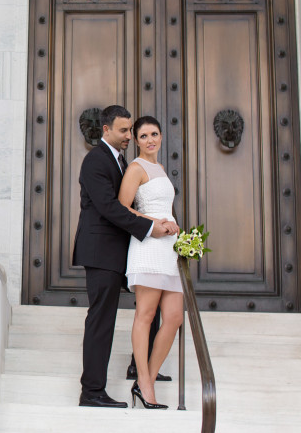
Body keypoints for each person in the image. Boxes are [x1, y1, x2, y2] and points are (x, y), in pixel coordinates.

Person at [73, 105, 177, 408]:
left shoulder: (118, 160)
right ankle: (91, 391)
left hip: (120, 249)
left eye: (131, 130)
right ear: (106, 130)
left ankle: (138, 366)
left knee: (153, 306)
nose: (129, 136)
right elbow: (109, 207)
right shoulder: (95, 160)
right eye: (124, 130)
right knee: (101, 320)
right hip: (101, 251)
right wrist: (150, 226)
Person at [118, 115, 185, 409]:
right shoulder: (136, 168)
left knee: (174, 318)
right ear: (135, 139)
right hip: (147, 246)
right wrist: (155, 222)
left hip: (169, 249)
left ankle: (147, 379)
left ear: (160, 136)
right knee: (145, 316)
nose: (150, 140)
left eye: (154, 134)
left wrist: (178, 233)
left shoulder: (159, 168)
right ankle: (146, 385)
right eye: (143, 136)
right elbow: (123, 208)